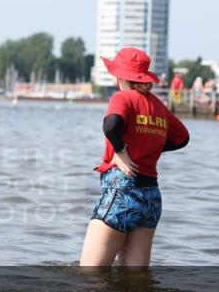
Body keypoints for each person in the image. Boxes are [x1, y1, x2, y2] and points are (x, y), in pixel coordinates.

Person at [80, 48, 189, 268]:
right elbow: (182, 138)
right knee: (135, 283)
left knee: (89, 277)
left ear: (120, 76)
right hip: (151, 198)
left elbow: (111, 125)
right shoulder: (158, 106)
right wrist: (150, 147)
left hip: (123, 190)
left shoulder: (123, 97)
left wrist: (121, 150)